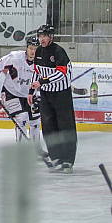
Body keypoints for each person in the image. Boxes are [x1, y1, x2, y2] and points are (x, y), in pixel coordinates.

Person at [28, 25, 77, 173]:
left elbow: (61, 73)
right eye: (40, 36)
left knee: (65, 127)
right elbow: (36, 72)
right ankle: (56, 156)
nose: (42, 39)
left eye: (44, 36)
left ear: (51, 37)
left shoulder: (58, 52)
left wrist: (42, 82)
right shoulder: (39, 52)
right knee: (49, 126)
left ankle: (68, 160)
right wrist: (31, 90)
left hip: (61, 95)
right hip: (46, 95)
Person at [0, 36, 42, 143]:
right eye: (31, 48)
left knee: (35, 121)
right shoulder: (15, 57)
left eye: (35, 49)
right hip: (11, 94)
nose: (33, 51)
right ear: (26, 48)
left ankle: (35, 149)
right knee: (22, 118)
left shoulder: (42, 63)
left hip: (29, 95)